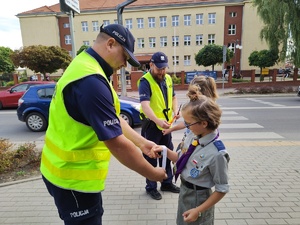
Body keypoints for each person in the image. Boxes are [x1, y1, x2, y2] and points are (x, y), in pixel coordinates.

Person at [40, 24, 167, 225]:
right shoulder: (90, 82)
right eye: (125, 57)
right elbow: (116, 144)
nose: (125, 65)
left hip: (65, 173)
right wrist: (153, 173)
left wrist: (142, 143)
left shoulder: (85, 65)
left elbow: (112, 119)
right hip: (73, 181)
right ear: (110, 43)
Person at [153, 94, 230, 225]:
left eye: (188, 124)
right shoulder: (193, 136)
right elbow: (181, 159)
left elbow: (221, 189)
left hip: (200, 198)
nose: (186, 127)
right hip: (185, 190)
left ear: (204, 123)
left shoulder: (217, 154)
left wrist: (198, 210)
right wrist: (164, 149)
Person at [138, 51, 180, 200]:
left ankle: (167, 183)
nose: (162, 72)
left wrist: (175, 111)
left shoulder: (168, 78)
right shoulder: (145, 81)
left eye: (164, 68)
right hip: (152, 126)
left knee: (167, 153)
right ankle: (151, 186)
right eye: (159, 68)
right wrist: (157, 120)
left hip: (166, 125)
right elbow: (145, 106)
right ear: (151, 65)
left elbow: (174, 97)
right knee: (151, 156)